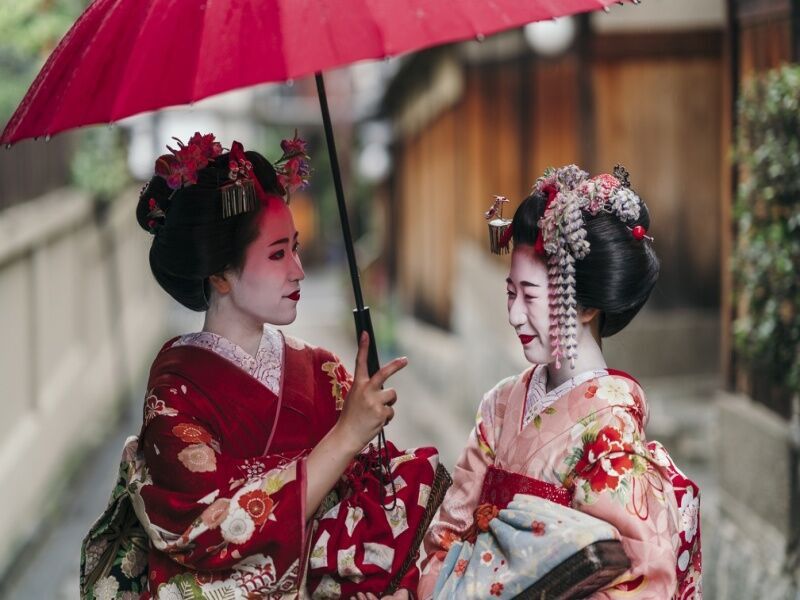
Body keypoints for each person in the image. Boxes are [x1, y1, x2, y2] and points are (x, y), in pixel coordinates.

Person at [82, 133, 414, 600]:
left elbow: (378, 505)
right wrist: (343, 437)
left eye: (295, 248)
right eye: (277, 254)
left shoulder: (322, 370)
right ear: (218, 273)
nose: (298, 269)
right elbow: (213, 534)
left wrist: (369, 436)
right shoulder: (176, 391)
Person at [417, 165, 702, 599]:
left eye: (531, 296)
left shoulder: (611, 431)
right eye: (511, 293)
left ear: (586, 306)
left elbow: (640, 580)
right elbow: (450, 532)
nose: (514, 314)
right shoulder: (501, 404)